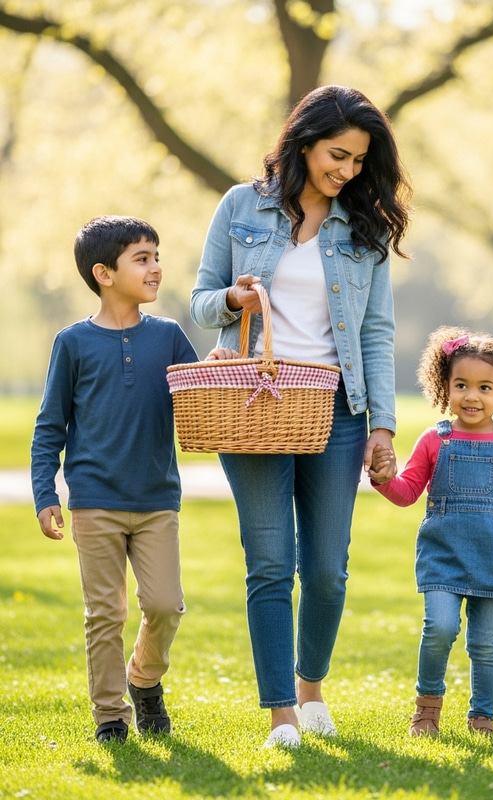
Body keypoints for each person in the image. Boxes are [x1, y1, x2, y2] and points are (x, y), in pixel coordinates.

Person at [190, 85, 412, 749]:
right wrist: (233, 296)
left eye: (357, 161)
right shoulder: (240, 206)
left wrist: (382, 424)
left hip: (337, 409)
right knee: (269, 563)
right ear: (303, 141)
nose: (344, 170)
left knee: (326, 569)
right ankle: (282, 713)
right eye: (335, 155)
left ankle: (311, 687)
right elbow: (200, 301)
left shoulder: (363, 228)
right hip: (253, 404)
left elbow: (376, 331)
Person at [30, 215, 199, 744]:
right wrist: (44, 492)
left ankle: (143, 680)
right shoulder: (73, 342)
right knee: (105, 614)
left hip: (155, 500)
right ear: (104, 273)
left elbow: (198, 397)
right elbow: (49, 425)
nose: (155, 268)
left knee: (165, 605)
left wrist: (220, 370)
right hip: (95, 501)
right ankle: (110, 716)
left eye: (156, 256)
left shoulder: (169, 337)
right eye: (142, 259)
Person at [369, 326, 493, 737]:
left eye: (485, 387)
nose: (472, 396)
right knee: (440, 627)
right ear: (445, 386)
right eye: (462, 385)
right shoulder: (435, 440)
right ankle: (427, 708)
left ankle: (482, 716)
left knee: (485, 643)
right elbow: (407, 493)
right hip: (443, 554)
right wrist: (383, 479)